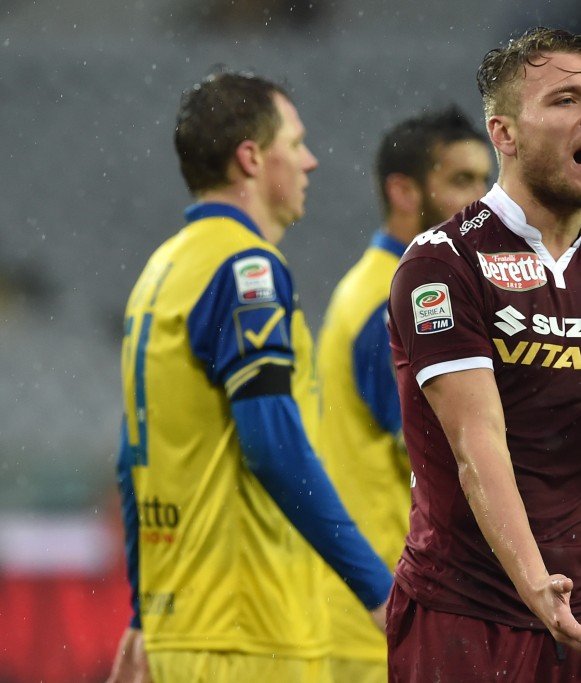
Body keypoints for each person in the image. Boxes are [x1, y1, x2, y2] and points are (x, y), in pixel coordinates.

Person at [384, 26, 581, 682]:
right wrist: (534, 583)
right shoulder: (443, 262)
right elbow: (477, 444)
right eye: (566, 99)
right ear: (504, 134)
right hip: (471, 613)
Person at [106, 69, 392, 683]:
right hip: (252, 633)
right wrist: (376, 588)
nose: (310, 161)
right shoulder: (246, 268)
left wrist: (144, 607)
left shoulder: (162, 271)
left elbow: (133, 460)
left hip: (184, 627)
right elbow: (271, 444)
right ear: (252, 159)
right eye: (295, 142)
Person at [317, 106, 492, 681]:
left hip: (378, 620)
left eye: (488, 181)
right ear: (403, 191)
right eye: (462, 180)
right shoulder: (397, 302)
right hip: (388, 628)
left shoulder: (382, 289)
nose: (485, 199)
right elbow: (450, 460)